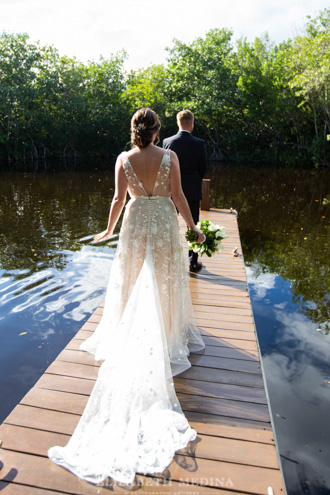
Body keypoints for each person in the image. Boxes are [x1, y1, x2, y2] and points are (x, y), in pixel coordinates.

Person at [48, 108, 205, 486]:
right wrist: (194, 228)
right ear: (157, 131)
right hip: (164, 219)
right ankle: (165, 333)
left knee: (135, 280)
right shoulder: (170, 157)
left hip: (135, 221)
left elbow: (118, 199)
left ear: (133, 131)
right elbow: (179, 195)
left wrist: (107, 229)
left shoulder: (123, 159)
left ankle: (135, 330)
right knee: (165, 280)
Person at [163, 110, 207, 273]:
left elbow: (164, 168)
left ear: (178, 123)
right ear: (192, 124)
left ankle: (168, 259)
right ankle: (193, 262)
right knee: (193, 225)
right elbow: (203, 169)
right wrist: (194, 179)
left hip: (172, 191)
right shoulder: (199, 143)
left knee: (169, 224)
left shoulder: (167, 142)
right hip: (193, 190)